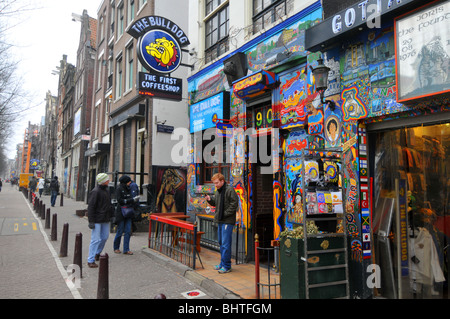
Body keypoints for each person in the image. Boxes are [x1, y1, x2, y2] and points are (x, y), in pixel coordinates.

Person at [205, 173, 239, 274]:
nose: (215, 185)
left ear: (222, 181)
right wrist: (210, 200)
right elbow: (216, 202)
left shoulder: (229, 190)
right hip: (220, 220)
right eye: (214, 183)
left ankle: (227, 266)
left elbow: (234, 204)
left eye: (216, 183)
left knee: (225, 243)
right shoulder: (219, 191)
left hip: (227, 221)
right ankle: (222, 263)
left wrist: (224, 214)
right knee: (221, 242)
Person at [87, 173, 114, 268]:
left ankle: (97, 253)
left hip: (105, 218)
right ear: (103, 181)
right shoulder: (95, 192)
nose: (109, 181)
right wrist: (91, 221)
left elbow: (109, 204)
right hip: (97, 219)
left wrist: (111, 215)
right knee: (95, 239)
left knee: (104, 237)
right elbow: (91, 207)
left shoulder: (106, 190)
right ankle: (90, 260)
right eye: (107, 179)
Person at [113, 175, 136, 255]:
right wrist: (130, 200)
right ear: (125, 182)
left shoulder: (129, 189)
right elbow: (120, 200)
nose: (130, 183)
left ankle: (126, 249)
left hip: (128, 212)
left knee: (128, 231)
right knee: (120, 231)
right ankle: (116, 247)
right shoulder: (119, 189)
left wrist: (134, 200)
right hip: (121, 213)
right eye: (129, 181)